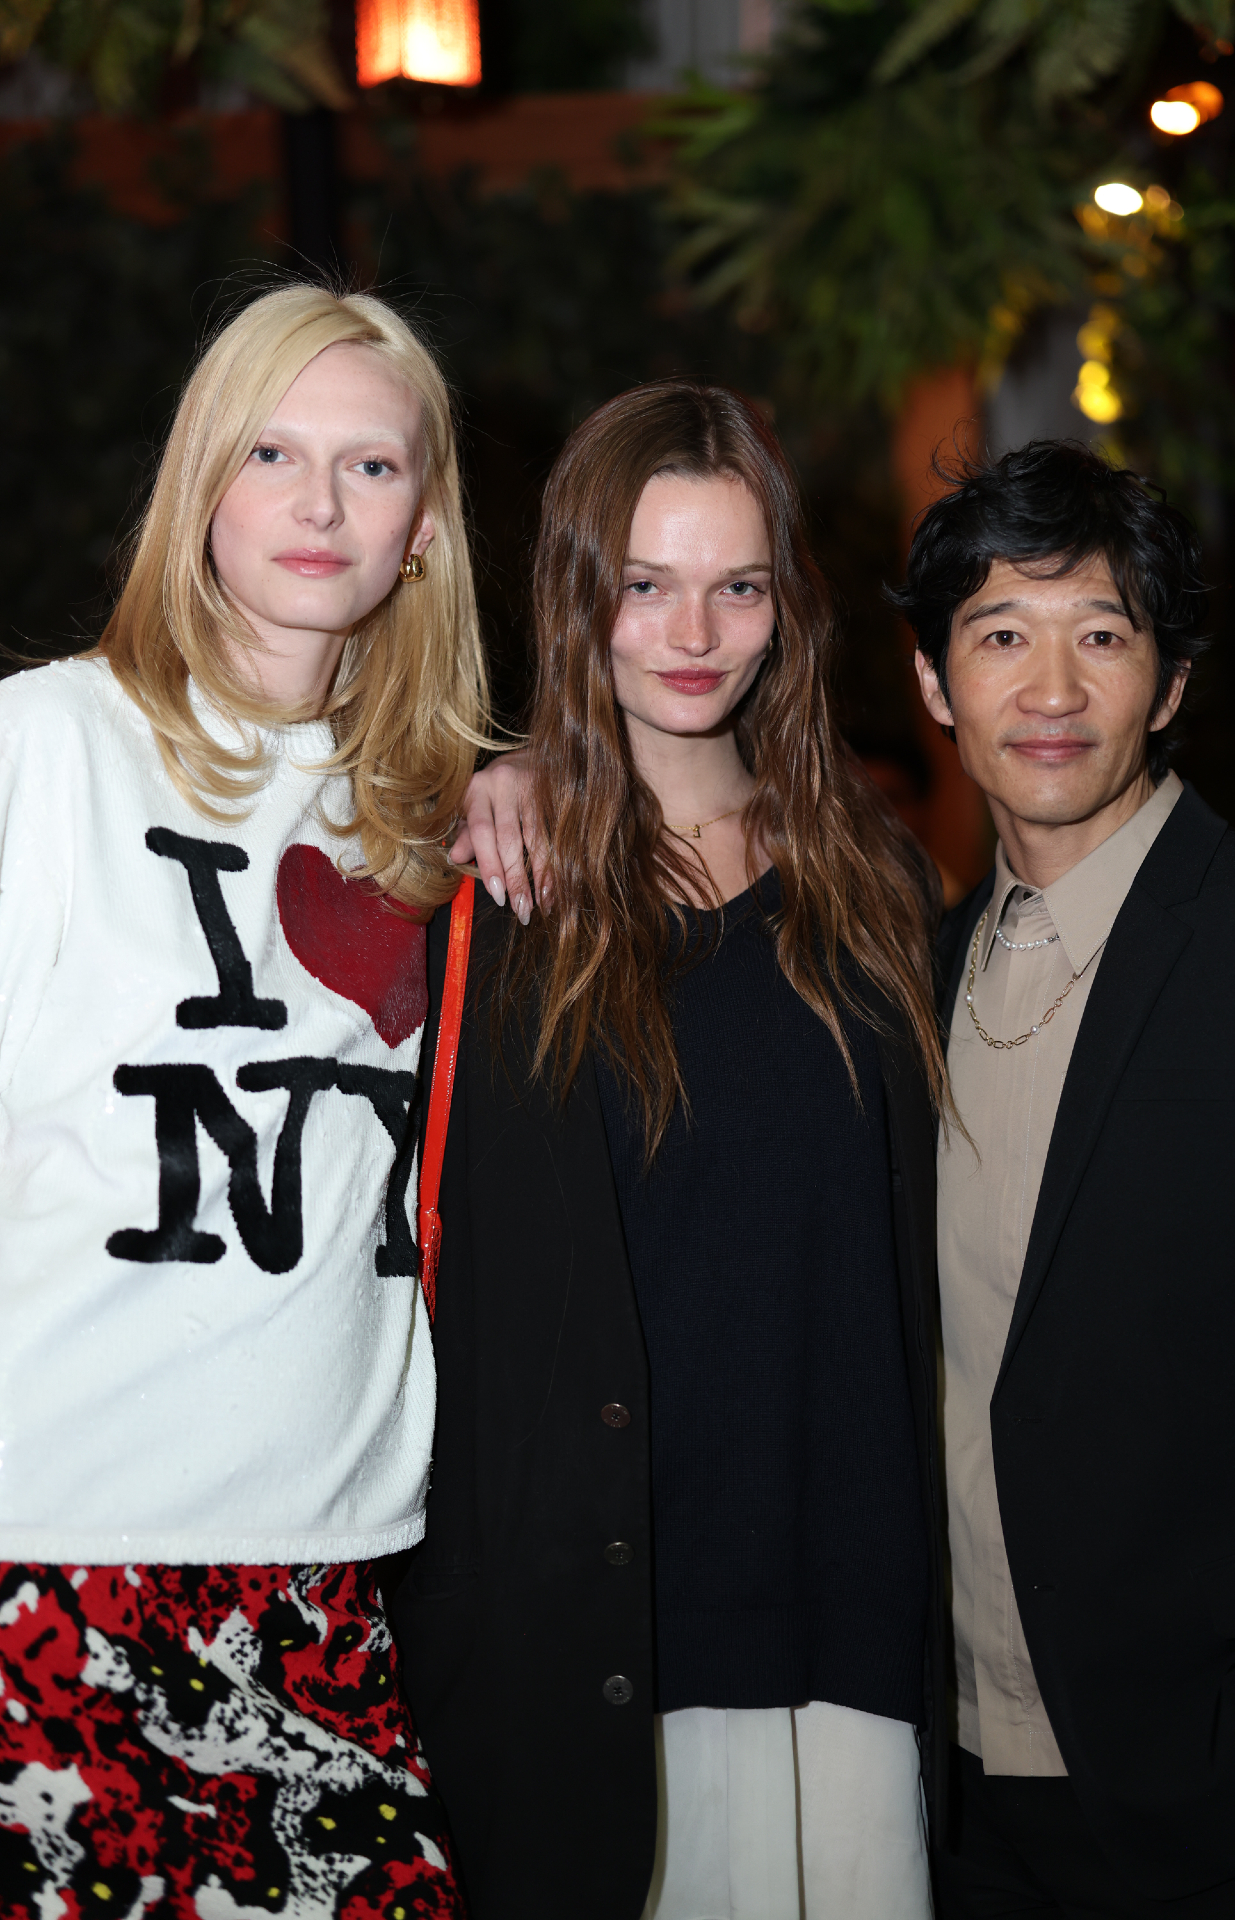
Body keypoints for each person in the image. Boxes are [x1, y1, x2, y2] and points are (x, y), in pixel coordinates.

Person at [393, 381, 950, 1920]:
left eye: (735, 586)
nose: (692, 632)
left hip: (848, 1633)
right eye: (645, 584)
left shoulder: (875, 886)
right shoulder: (495, 890)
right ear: (576, 595)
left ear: (786, 608)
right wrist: (508, 773)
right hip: (603, 1655)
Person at [0, 284, 487, 1915]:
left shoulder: (440, 817)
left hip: (328, 1571)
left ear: (424, 526)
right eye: (272, 452)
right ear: (201, 482)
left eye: (370, 465)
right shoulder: (45, 748)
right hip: (51, 1553)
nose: (318, 502)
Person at [892, 440, 1235, 1917]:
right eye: (1000, 636)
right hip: (958, 1791)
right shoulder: (913, 978)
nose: (1049, 691)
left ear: (1167, 684)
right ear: (934, 683)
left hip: (1214, 1798)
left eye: (1101, 637)